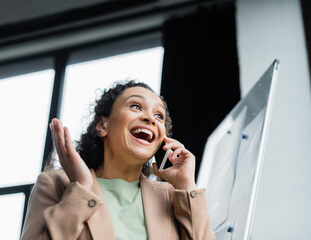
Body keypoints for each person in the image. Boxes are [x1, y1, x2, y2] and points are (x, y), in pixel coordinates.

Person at [21, 81, 215, 240]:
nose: (150, 118)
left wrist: (187, 184)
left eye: (158, 115)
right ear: (102, 125)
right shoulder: (55, 184)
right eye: (136, 106)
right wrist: (82, 187)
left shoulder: (171, 196)